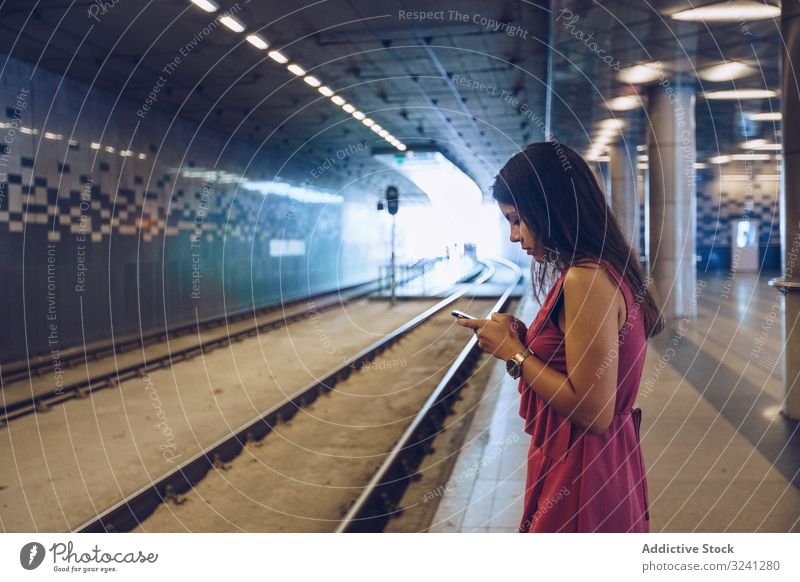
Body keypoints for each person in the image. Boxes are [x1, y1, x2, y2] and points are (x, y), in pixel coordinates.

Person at [457, 142, 665, 532]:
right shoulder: (602, 268)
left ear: (551, 208)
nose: (515, 236)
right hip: (597, 464)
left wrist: (515, 354)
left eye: (518, 219)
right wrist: (523, 341)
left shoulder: (585, 280)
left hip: (583, 472)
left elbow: (592, 412)